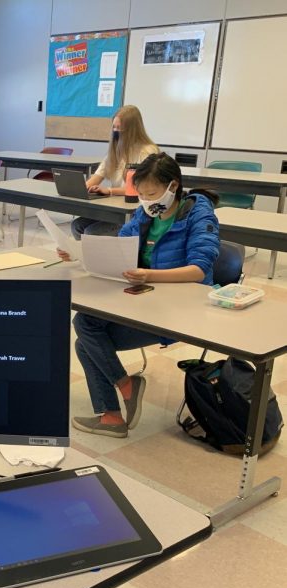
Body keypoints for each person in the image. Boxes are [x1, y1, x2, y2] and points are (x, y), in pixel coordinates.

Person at [59, 153, 220, 438]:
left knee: (85, 332)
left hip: (181, 307)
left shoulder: (197, 213)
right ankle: (115, 407)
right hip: (143, 298)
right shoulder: (146, 212)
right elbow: (122, 247)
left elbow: (198, 270)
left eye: (152, 193)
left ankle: (119, 402)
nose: (146, 200)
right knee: (86, 331)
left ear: (174, 186)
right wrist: (79, 254)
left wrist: (149, 275)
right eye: (142, 194)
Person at [71, 105, 159, 239]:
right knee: (77, 226)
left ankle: (100, 258)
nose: (116, 132)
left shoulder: (147, 151)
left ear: (132, 130)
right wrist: (80, 189)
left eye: (120, 128)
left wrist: (110, 191)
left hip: (135, 212)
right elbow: (98, 175)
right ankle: (88, 258)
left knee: (91, 233)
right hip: (116, 209)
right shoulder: (116, 149)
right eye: (114, 127)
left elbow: (141, 190)